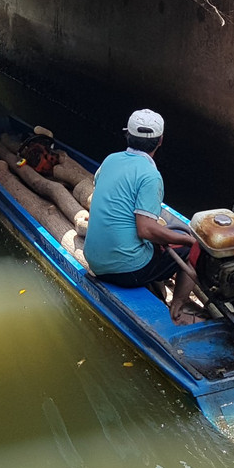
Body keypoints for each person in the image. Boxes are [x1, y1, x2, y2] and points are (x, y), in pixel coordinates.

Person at [83, 109, 199, 322]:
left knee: (158, 243)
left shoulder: (110, 160)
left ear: (127, 135)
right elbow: (145, 229)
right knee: (191, 251)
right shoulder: (150, 175)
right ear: (160, 141)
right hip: (127, 271)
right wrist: (188, 240)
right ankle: (178, 308)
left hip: (94, 260)